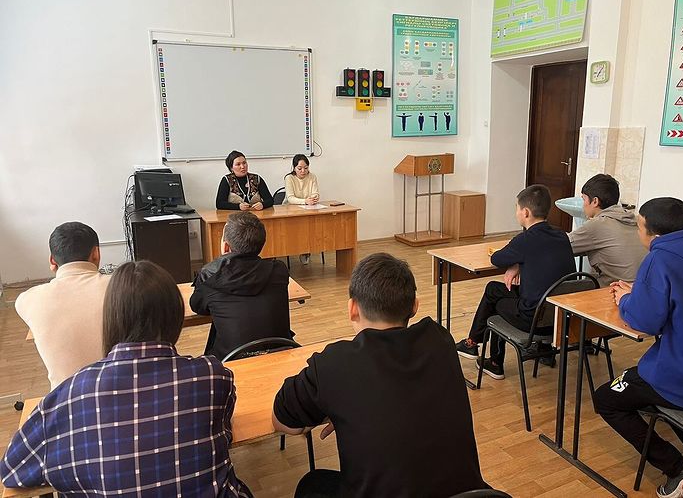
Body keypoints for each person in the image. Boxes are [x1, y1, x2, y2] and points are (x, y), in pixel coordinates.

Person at [1, 260, 252, 497]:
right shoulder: (214, 376)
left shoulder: (70, 395)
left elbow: (12, 470)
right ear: (176, 316)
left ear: (112, 318)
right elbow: (224, 430)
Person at [272, 253, 490, 498]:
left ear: (352, 309)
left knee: (311, 484)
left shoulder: (333, 364)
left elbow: (282, 421)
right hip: (469, 494)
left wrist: (338, 405)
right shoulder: (441, 340)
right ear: (415, 306)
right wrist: (347, 407)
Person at [594, 198, 683, 498]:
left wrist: (626, 300)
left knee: (606, 399)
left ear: (654, 234)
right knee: (649, 394)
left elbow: (644, 321)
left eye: (639, 227)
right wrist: (641, 292)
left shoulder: (659, 259)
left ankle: (678, 469)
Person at [456, 184, 576, 380]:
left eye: (517, 208)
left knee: (495, 301)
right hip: (562, 319)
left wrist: (516, 262)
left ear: (525, 212)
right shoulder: (562, 236)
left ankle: (491, 360)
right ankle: (474, 344)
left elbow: (497, 259)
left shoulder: (525, 240)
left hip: (533, 319)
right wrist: (519, 263)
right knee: (494, 289)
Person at [15, 222, 110, 389]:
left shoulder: (27, 299)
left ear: (52, 260)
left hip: (65, 400)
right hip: (119, 392)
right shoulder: (123, 287)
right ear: (96, 254)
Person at [191, 211, 291, 361]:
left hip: (232, 361)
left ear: (226, 247)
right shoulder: (279, 270)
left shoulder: (209, 276)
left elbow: (197, 307)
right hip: (281, 354)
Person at [568, 174, 647, 286]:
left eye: (583, 199)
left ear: (595, 201)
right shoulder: (634, 219)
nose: (583, 205)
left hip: (616, 290)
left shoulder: (597, 224)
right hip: (641, 288)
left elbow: (561, 244)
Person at [284, 153, 320, 264]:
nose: (303, 171)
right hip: (291, 210)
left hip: (308, 209)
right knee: (297, 229)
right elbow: (290, 198)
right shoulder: (289, 178)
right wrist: (305, 201)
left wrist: (314, 198)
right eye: (299, 168)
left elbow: (316, 193)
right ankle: (296, 249)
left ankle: (306, 251)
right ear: (294, 168)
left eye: (306, 168)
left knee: (311, 227)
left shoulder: (312, 176)